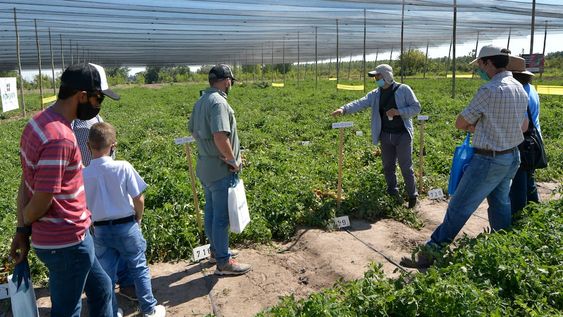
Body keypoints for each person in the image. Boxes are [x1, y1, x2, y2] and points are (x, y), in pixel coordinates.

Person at [401, 46, 528, 269]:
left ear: (489, 63)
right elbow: (524, 125)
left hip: (488, 159)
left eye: (480, 64)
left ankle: (431, 253)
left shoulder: (489, 90)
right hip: (511, 156)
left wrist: (478, 127)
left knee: (459, 206)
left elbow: (460, 122)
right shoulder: (519, 87)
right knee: (500, 203)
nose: (478, 68)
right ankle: (503, 251)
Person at [9, 63, 118, 317]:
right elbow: (42, 199)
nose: (99, 104)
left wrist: (22, 231)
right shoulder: (60, 137)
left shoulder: (37, 123)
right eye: (97, 98)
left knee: (101, 289)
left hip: (73, 238)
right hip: (67, 242)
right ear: (81, 96)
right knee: (67, 310)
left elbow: (26, 183)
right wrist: (26, 221)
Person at [83, 122, 166, 317]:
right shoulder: (123, 167)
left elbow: (84, 205)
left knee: (107, 275)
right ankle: (149, 309)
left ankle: (112, 312)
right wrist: (138, 216)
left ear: (88, 146)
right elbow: (139, 197)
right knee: (139, 268)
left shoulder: (83, 174)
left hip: (101, 230)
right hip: (126, 225)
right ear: (114, 145)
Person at [188, 64, 251, 275]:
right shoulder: (219, 102)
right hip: (219, 167)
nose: (231, 85)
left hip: (205, 166)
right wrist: (232, 160)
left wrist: (208, 151)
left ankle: (216, 251)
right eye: (231, 81)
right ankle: (223, 262)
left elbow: (194, 133)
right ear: (226, 81)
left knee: (212, 213)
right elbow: (220, 135)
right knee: (221, 217)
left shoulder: (201, 101)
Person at [331, 64, 421, 208]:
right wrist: (344, 109)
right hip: (386, 135)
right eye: (375, 77)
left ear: (387, 76)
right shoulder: (375, 94)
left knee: (406, 166)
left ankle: (412, 196)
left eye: (378, 76)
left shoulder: (404, 90)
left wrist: (398, 112)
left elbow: (416, 107)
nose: (376, 79)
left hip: (403, 135)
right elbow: (360, 102)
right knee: (388, 166)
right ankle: (393, 193)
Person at [73, 115, 137, 301]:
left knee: (107, 248)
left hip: (101, 182)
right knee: (110, 248)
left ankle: (115, 290)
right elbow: (89, 161)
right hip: (96, 186)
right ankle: (117, 287)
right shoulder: (82, 125)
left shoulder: (90, 117)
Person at [507, 56, 542, 217]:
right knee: (529, 180)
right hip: (535, 141)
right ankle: (535, 213)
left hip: (523, 142)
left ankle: (518, 218)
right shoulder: (531, 88)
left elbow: (521, 124)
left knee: (518, 183)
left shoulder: (519, 91)